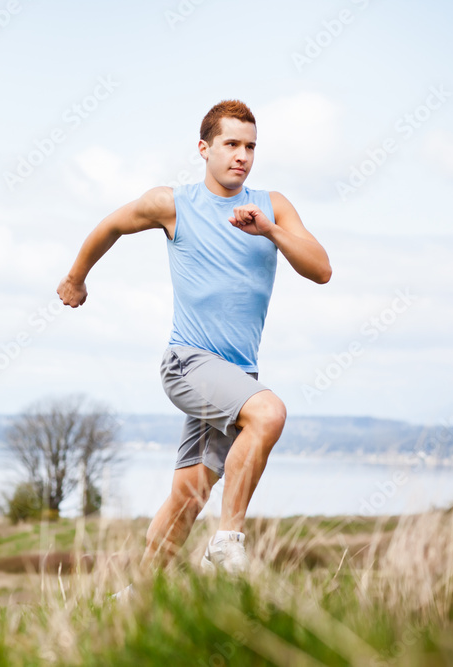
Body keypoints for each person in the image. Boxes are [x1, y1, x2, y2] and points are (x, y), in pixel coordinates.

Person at [56, 99, 332, 583]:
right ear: (204, 149)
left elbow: (321, 269)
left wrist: (269, 231)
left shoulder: (273, 206)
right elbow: (112, 225)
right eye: (231, 144)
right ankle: (227, 543)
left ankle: (141, 595)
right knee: (269, 413)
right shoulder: (174, 203)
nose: (241, 155)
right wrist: (76, 278)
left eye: (250, 146)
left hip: (236, 377)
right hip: (188, 363)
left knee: (188, 495)